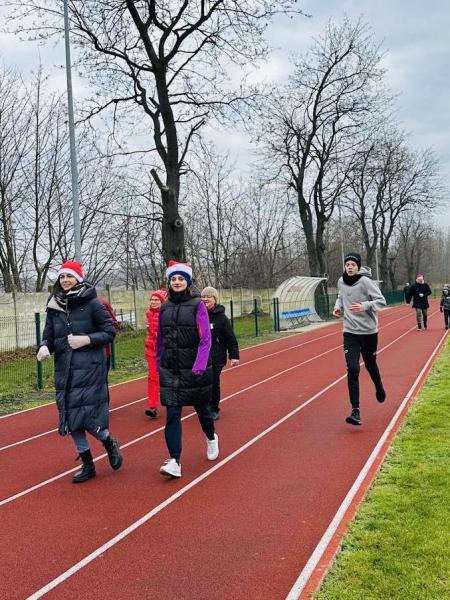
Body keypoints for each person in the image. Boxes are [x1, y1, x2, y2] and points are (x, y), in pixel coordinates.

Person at [36, 259, 123, 483]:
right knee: (69, 416)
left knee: (86, 416)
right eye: (62, 277)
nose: (65, 280)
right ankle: (88, 464)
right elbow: (49, 334)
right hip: (65, 368)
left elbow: (110, 332)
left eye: (70, 276)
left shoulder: (93, 303)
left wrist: (86, 339)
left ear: (79, 279)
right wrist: (45, 346)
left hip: (90, 367)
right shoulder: (54, 306)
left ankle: (107, 441)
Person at [157, 260, 217, 478]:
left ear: (188, 281)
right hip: (171, 369)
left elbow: (205, 339)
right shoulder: (164, 307)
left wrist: (199, 365)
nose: (177, 282)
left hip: (194, 369)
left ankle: (211, 437)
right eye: (173, 279)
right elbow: (160, 340)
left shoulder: (198, 305)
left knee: (202, 411)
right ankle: (175, 461)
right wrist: (158, 363)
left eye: (181, 278)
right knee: (172, 413)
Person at [333, 252, 387, 426]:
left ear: (358, 267)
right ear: (344, 266)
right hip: (350, 332)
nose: (350, 267)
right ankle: (355, 410)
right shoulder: (341, 281)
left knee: (371, 365)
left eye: (353, 265)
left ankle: (378, 385)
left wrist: (364, 306)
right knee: (353, 368)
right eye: (347, 265)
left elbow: (381, 301)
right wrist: (337, 307)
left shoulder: (365, 282)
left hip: (369, 332)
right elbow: (341, 296)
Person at [201, 286, 240, 420]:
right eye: (203, 296)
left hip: (216, 357)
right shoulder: (198, 315)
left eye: (209, 297)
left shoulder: (221, 318)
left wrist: (234, 356)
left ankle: (213, 408)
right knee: (202, 383)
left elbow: (230, 338)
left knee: (213, 383)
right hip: (201, 357)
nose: (205, 299)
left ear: (215, 299)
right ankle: (204, 405)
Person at [145, 288, 167, 418]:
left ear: (162, 301)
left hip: (165, 351)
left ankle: (176, 401)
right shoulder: (148, 313)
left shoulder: (166, 313)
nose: (153, 302)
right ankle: (152, 406)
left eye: (156, 300)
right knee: (152, 377)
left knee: (169, 377)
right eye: (152, 299)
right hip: (151, 351)